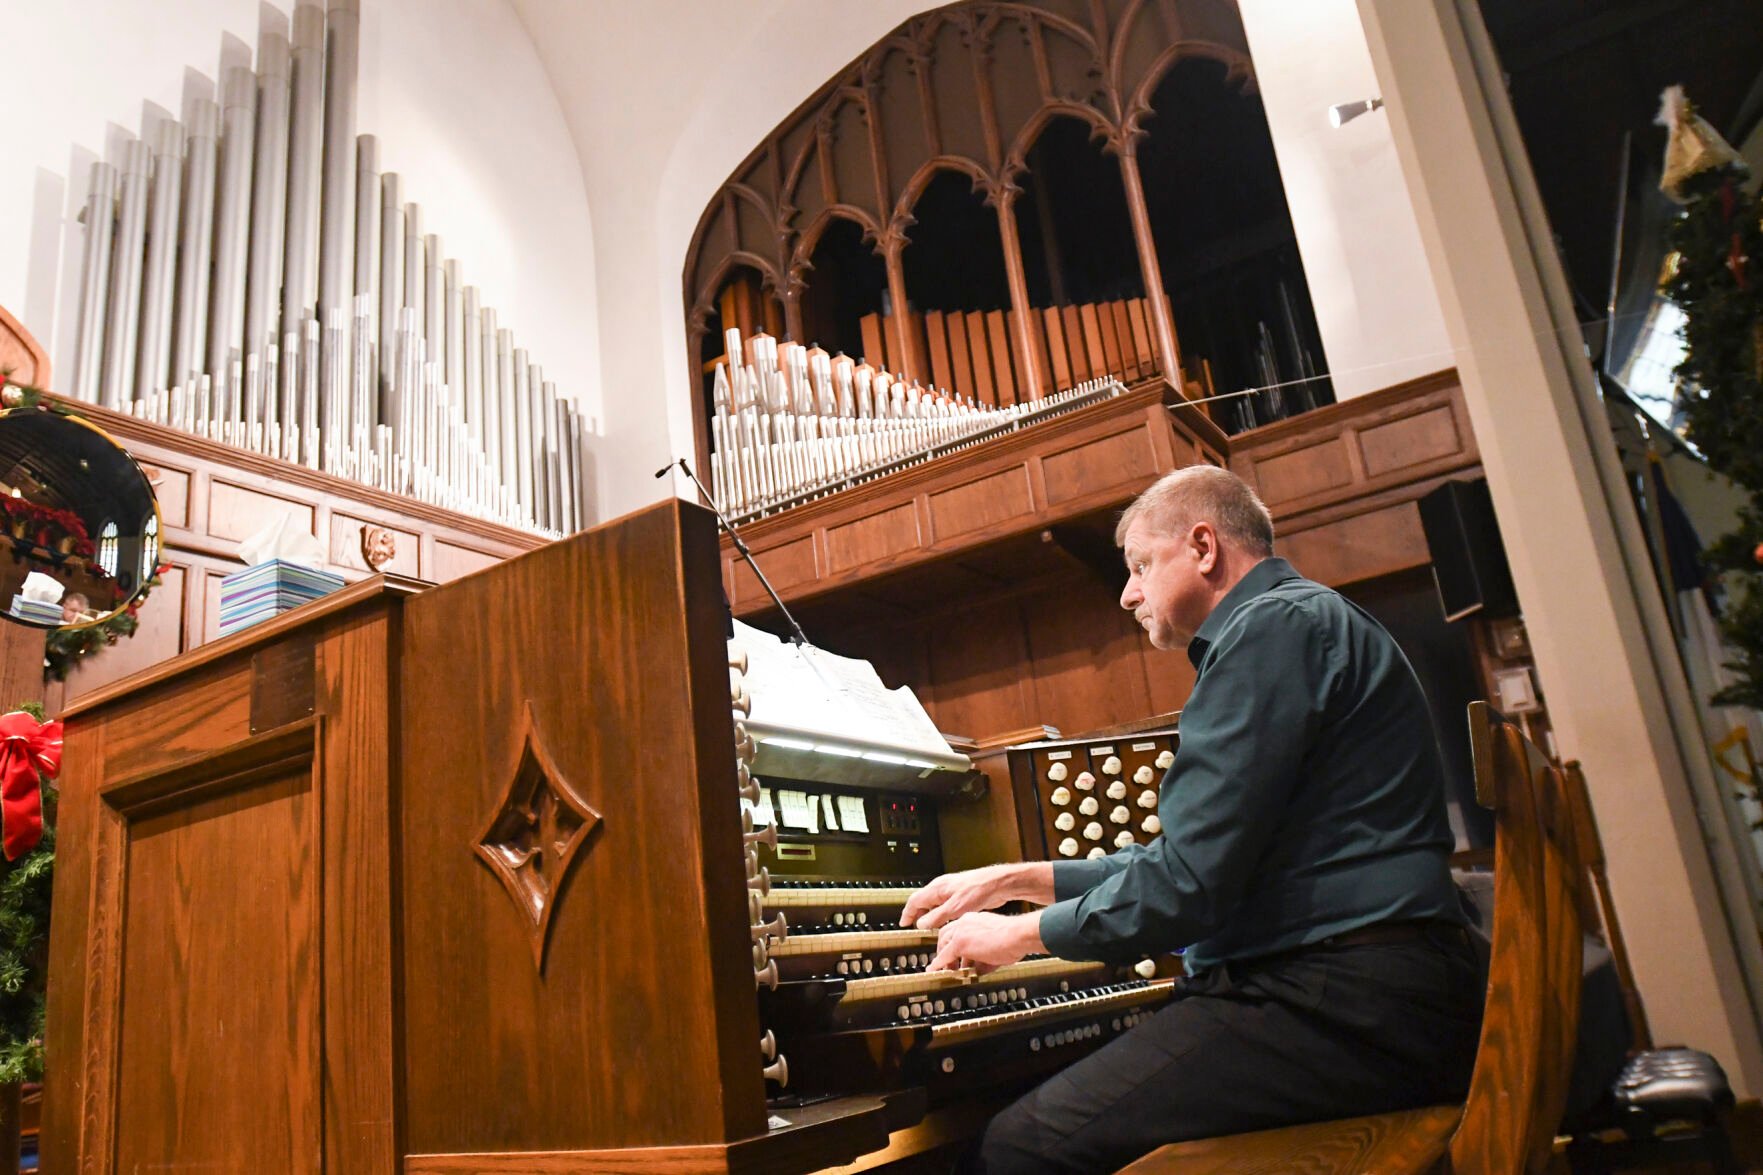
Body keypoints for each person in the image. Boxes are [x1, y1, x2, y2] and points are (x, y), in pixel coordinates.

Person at [900, 466, 1482, 1174]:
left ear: (1203, 547)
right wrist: (1015, 876)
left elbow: (1187, 884)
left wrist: (1020, 934)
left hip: (1344, 1001)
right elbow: (1191, 857)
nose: (1127, 592)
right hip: (1373, 987)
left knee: (1019, 1148)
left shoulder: (1270, 631)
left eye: (1141, 564)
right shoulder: (1295, 623)